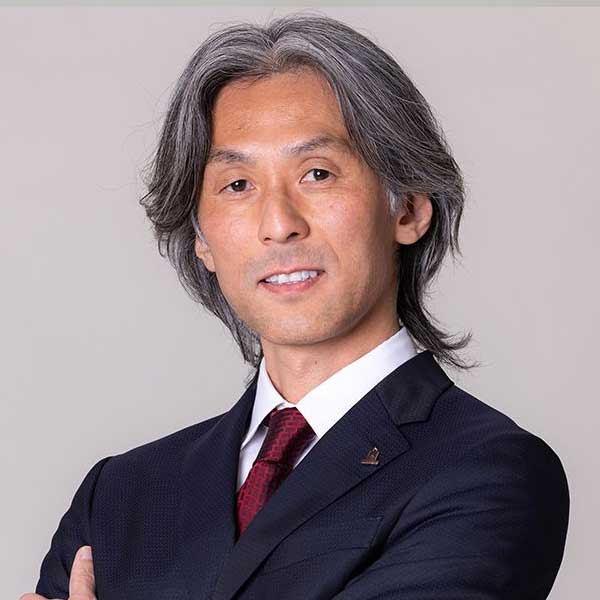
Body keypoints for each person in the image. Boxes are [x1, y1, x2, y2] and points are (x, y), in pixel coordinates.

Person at [21, 12, 569, 600]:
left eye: (317, 173)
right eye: (237, 185)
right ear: (201, 240)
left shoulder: (487, 471)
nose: (279, 224)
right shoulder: (119, 496)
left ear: (408, 208)